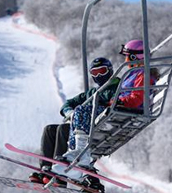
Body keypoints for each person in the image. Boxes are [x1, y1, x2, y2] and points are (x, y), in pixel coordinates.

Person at [52, 39, 158, 184]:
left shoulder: (142, 75)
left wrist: (116, 102)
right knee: (75, 114)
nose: (126, 60)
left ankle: (79, 155)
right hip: (119, 108)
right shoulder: (133, 74)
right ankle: (74, 156)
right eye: (94, 72)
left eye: (128, 56)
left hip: (125, 110)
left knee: (82, 110)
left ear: (135, 58)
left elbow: (136, 98)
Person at [29, 57, 115, 189]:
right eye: (95, 73)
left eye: (102, 71)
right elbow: (68, 104)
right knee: (49, 130)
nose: (98, 76)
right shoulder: (92, 92)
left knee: (63, 129)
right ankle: (46, 168)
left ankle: (58, 172)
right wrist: (69, 112)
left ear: (109, 71)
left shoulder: (116, 86)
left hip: (97, 125)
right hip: (86, 124)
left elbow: (113, 99)